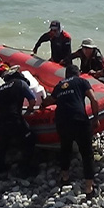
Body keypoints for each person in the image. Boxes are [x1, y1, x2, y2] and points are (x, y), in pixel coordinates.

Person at [42, 64, 99, 195]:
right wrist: (95, 118)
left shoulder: (59, 85)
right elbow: (94, 99)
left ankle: (65, 177)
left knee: (65, 149)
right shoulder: (82, 81)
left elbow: (49, 101)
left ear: (66, 75)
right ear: (78, 73)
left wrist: (43, 104)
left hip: (62, 121)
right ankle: (89, 187)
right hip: (79, 119)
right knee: (86, 153)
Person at [0, 71, 38, 177]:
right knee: (29, 138)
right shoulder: (21, 84)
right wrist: (30, 110)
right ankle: (25, 168)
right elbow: (32, 100)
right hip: (13, 117)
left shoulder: (1, 88)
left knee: (3, 143)